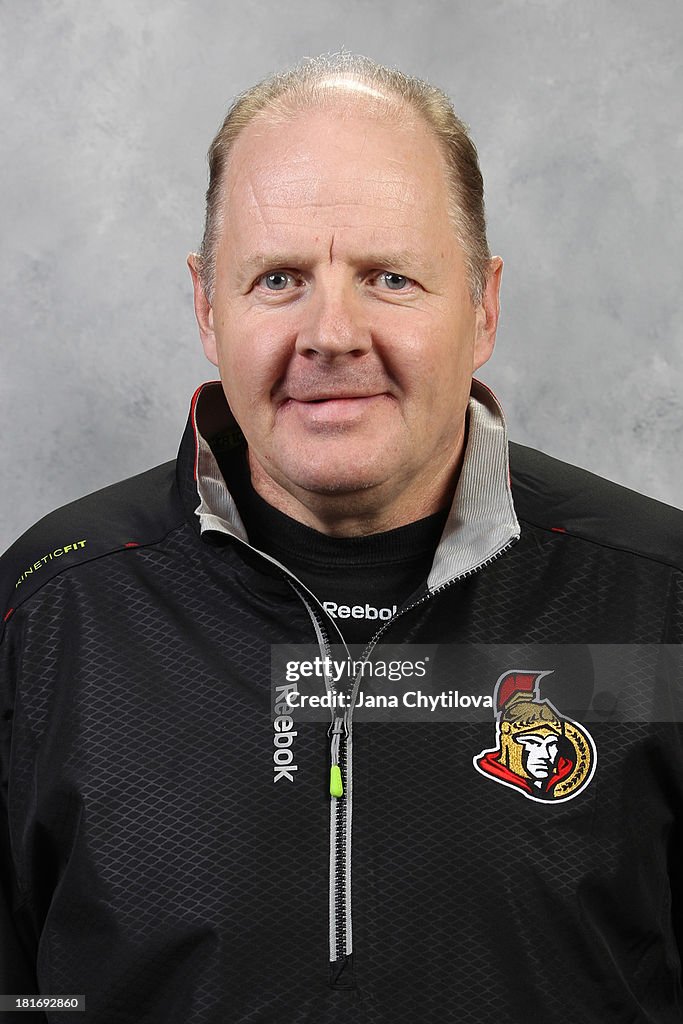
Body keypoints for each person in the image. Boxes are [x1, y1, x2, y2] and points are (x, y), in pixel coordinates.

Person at [1, 53, 682, 1024]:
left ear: (482, 306)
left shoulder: (654, 602)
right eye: (278, 277)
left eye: (388, 277)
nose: (331, 332)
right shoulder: (48, 609)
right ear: (205, 305)